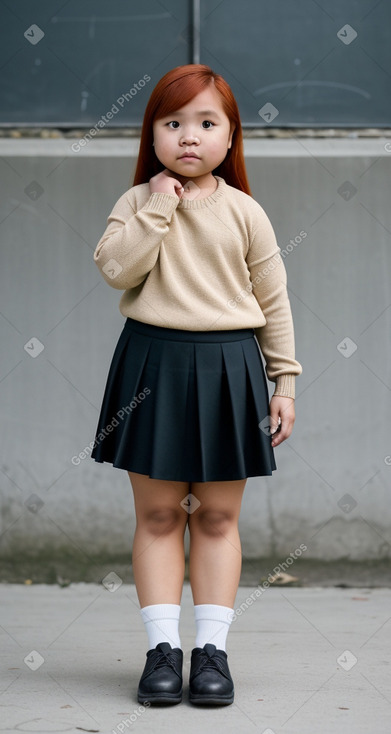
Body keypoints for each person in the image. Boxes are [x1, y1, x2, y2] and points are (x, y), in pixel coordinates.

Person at [90, 64, 302, 707]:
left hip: (230, 367)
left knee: (216, 516)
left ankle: (212, 654)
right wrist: (158, 205)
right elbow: (116, 269)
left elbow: (274, 300)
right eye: (173, 123)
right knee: (157, 514)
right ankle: (162, 652)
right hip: (150, 362)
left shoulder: (245, 211)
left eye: (207, 123)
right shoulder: (136, 203)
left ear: (230, 137)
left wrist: (284, 381)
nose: (189, 136)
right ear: (151, 135)